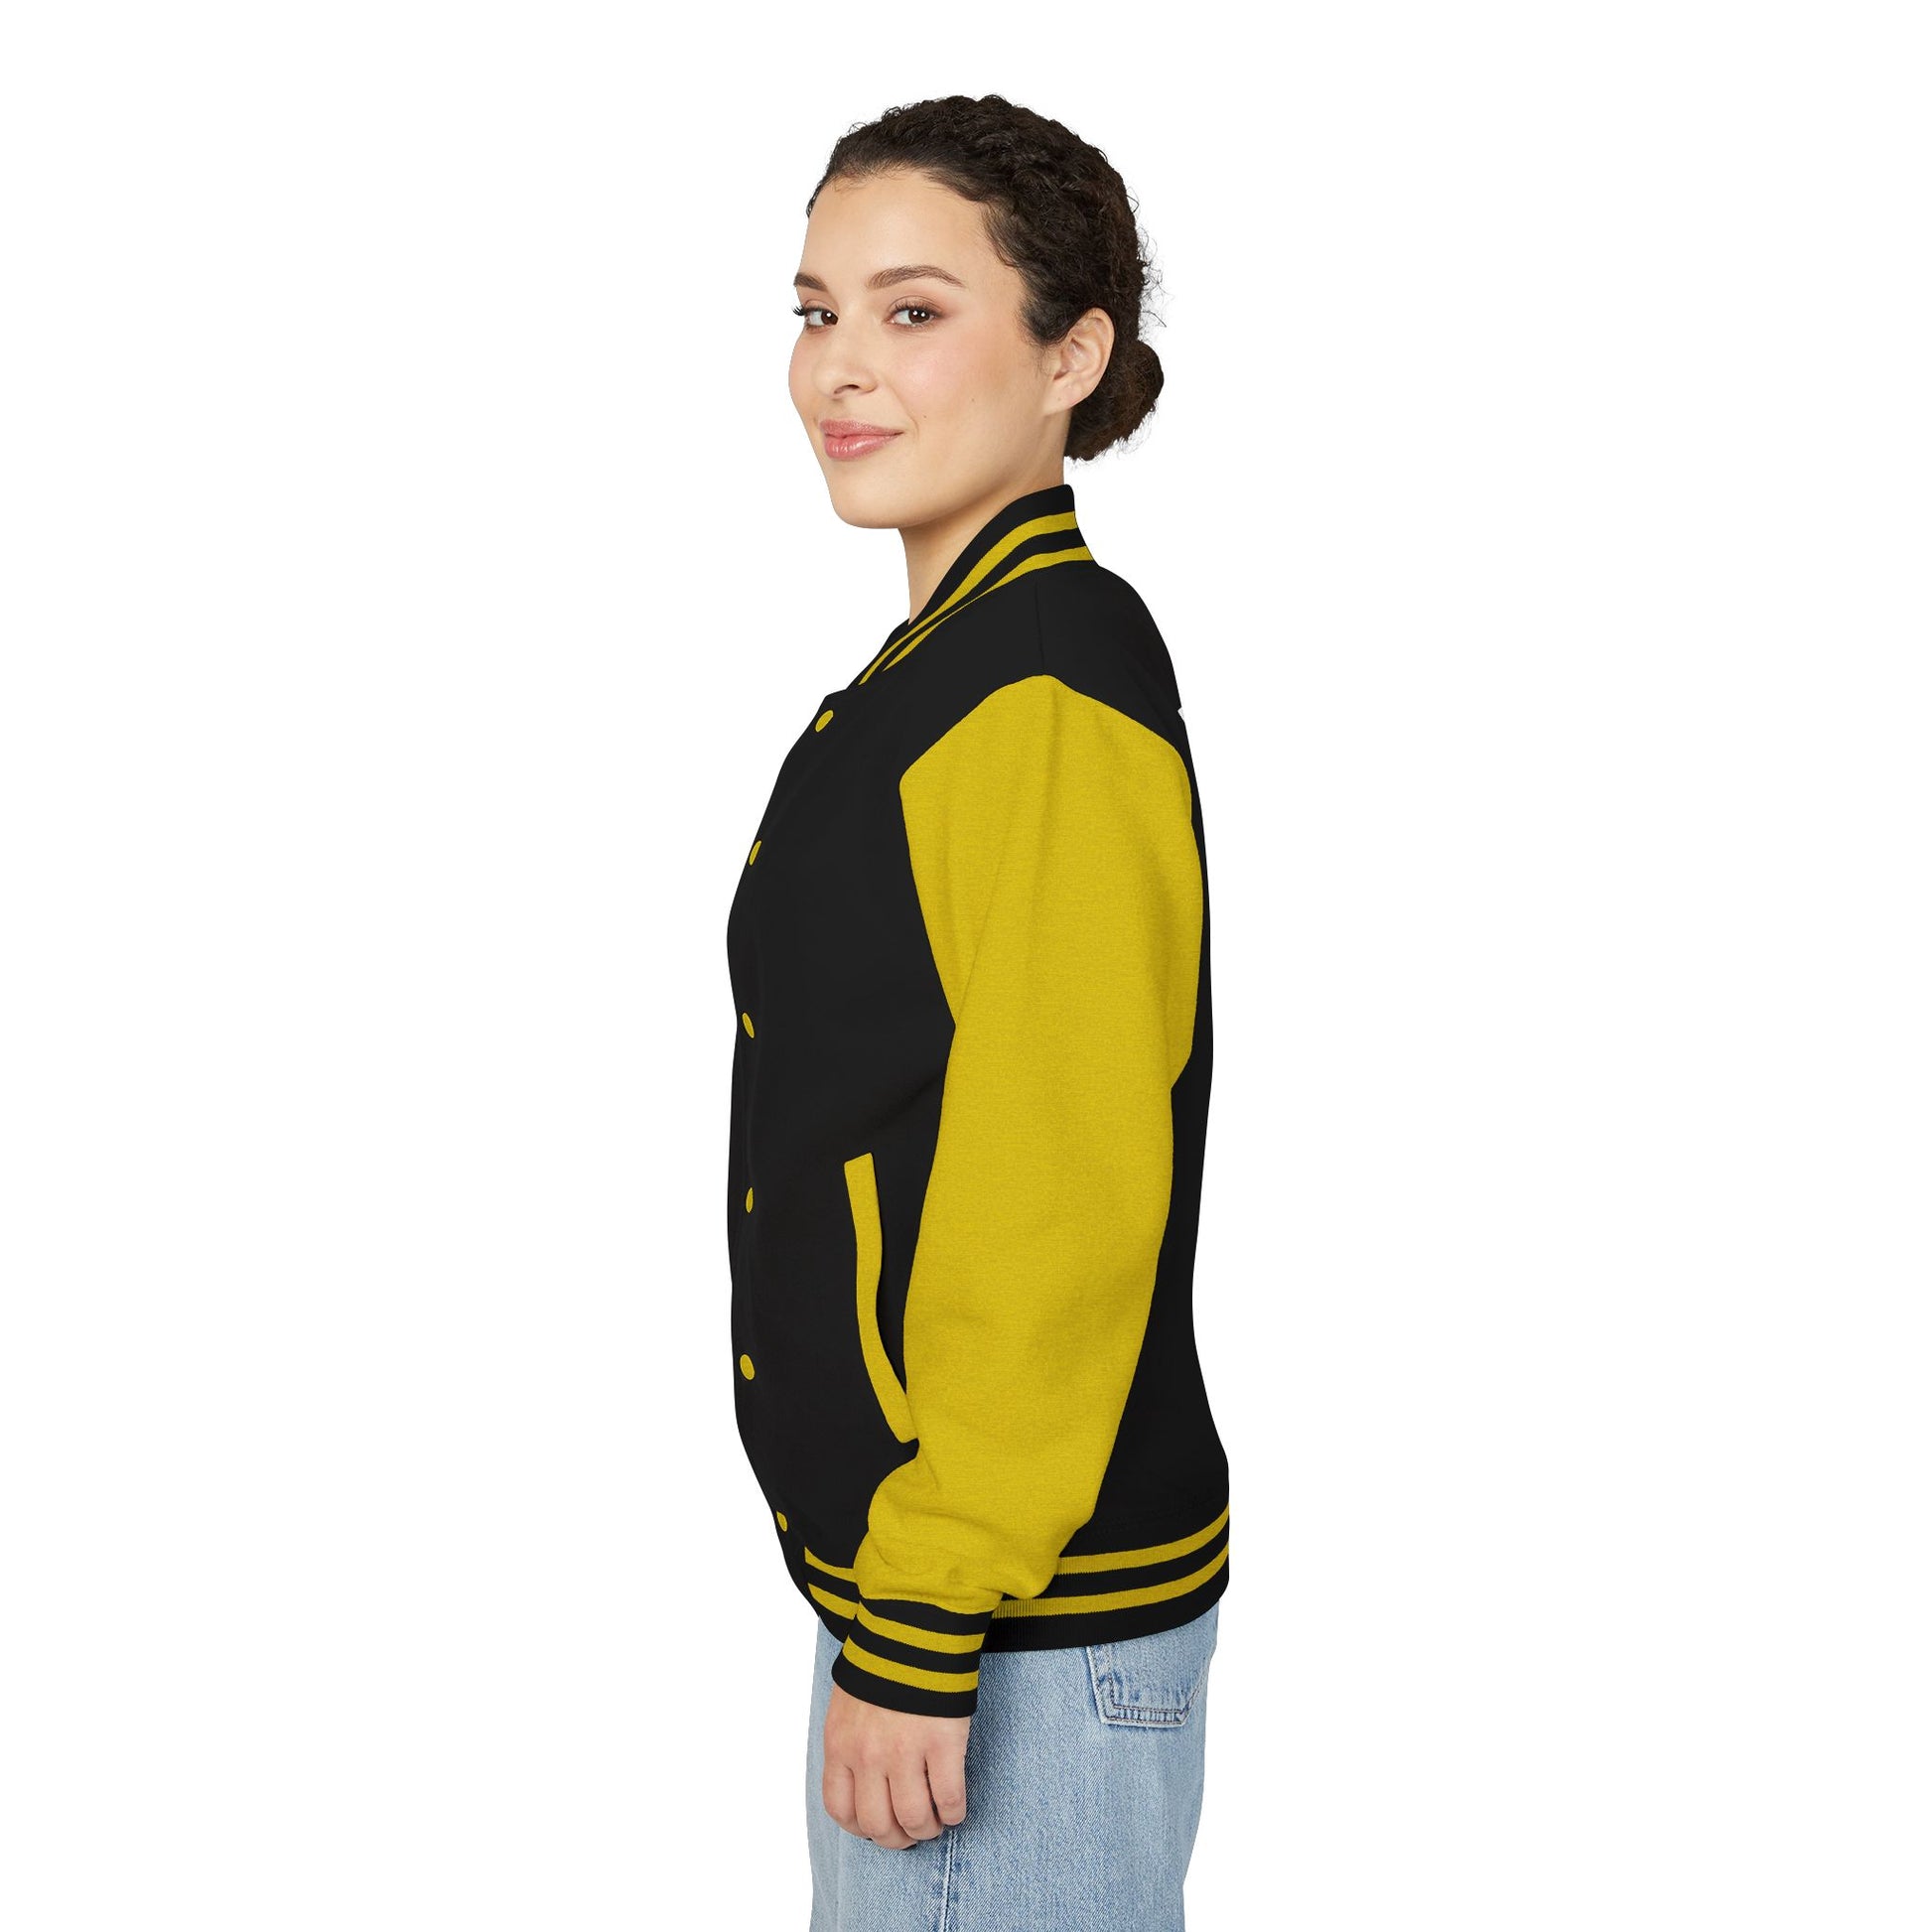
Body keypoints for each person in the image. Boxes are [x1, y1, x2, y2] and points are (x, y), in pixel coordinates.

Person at [724, 93, 1230, 1930]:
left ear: (1068, 357)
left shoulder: (1043, 687)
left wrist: (923, 1619)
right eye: (816, 310)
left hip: (1004, 1623)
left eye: (914, 311)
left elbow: (1054, 1189)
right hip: (949, 1591)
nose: (840, 367)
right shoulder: (948, 673)